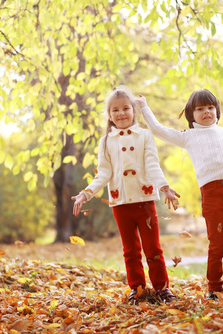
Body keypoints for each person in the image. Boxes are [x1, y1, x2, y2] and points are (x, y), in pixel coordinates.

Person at [136, 88, 223, 300]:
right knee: (216, 245)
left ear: (217, 111)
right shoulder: (188, 137)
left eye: (211, 107)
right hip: (211, 193)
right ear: (191, 114)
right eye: (200, 109)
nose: (207, 112)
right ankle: (214, 288)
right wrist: (143, 106)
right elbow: (158, 130)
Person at [72, 86, 180, 305]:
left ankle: (162, 288)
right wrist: (86, 193)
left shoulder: (145, 136)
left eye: (125, 108)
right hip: (120, 202)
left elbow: (152, 165)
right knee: (130, 250)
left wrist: (164, 187)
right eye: (115, 110)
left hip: (145, 200)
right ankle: (138, 289)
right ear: (109, 115)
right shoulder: (106, 142)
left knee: (153, 249)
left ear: (134, 111)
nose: (120, 113)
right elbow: (103, 173)